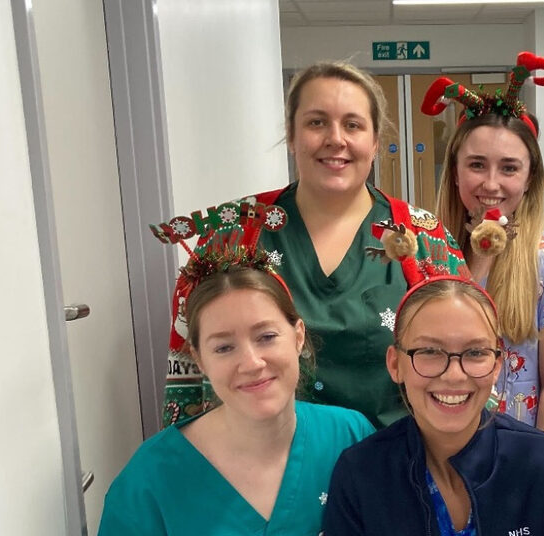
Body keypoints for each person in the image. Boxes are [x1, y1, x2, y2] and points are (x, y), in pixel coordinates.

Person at [153, 61, 468, 429]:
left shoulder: (425, 241)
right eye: (317, 122)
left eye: (353, 124)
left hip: (395, 469)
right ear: (291, 135)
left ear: (375, 141)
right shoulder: (232, 234)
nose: (336, 138)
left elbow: (467, 362)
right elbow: (189, 376)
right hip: (261, 470)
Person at [100, 251, 374, 535]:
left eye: (266, 337)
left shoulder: (350, 437)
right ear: (200, 360)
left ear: (298, 336)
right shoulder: (150, 481)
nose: (252, 363)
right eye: (224, 347)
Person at [323, 276, 544, 535]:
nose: (454, 375)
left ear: (496, 365)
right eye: (429, 351)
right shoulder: (360, 474)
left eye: (475, 353)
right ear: (395, 364)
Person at [430, 52, 544, 430]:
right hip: (439, 442)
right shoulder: (431, 251)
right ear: (456, 172)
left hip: (518, 450)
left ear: (529, 178)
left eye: (509, 168)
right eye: (477, 165)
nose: (491, 184)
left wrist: (542, 463)